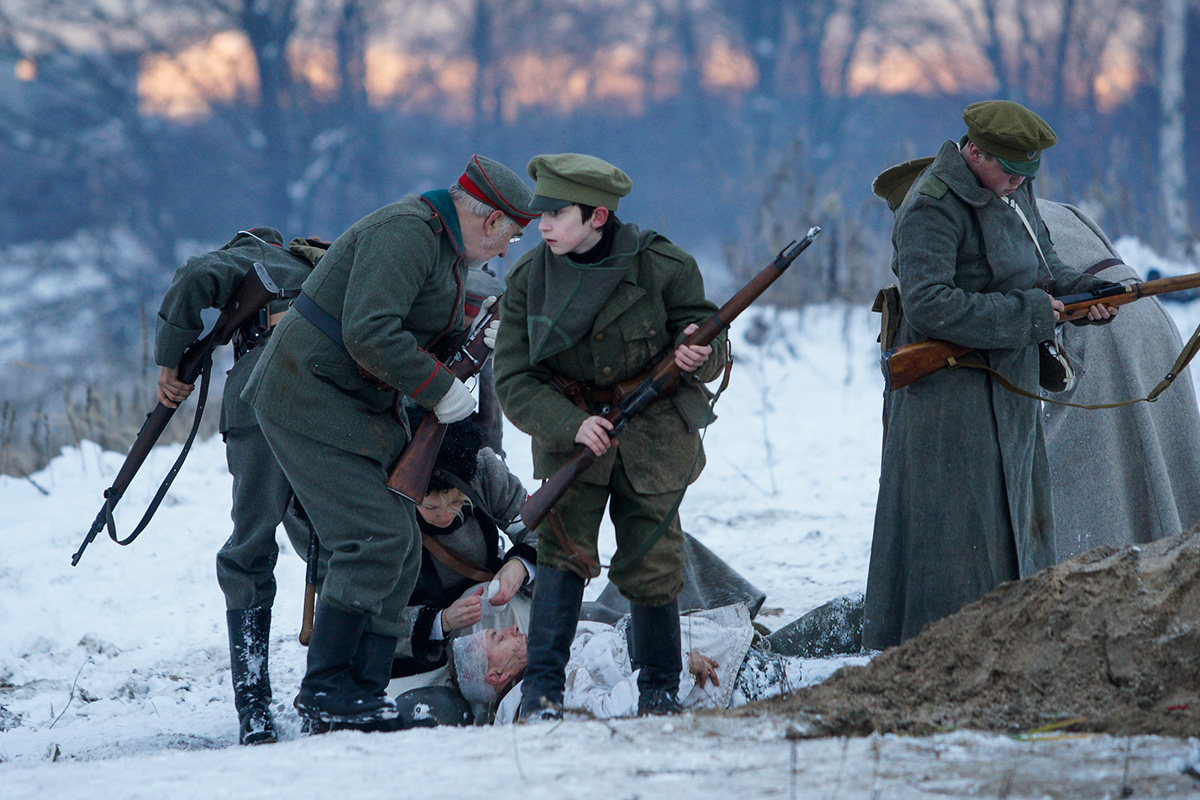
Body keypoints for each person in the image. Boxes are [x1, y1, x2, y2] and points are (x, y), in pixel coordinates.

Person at [242, 155, 536, 731]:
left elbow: (415, 327)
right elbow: (370, 331)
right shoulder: (405, 234)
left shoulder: (441, 250)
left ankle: (365, 690)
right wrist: (442, 389)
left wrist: (470, 341)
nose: (505, 252)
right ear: (486, 221)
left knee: (398, 541)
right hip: (307, 395)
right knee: (371, 537)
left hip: (350, 402)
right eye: (510, 236)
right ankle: (327, 689)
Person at [862, 101, 1118, 650]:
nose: (1018, 183)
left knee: (1017, 520)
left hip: (1012, 389)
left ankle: (1016, 638)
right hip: (951, 398)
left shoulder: (1013, 186)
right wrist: (1028, 315)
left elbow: (1043, 267)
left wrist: (1086, 295)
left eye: (1028, 174)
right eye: (1009, 171)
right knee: (956, 534)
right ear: (974, 152)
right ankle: (939, 650)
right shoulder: (930, 207)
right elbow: (929, 306)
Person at [492, 153, 728, 719]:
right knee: (560, 558)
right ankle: (541, 693)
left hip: (654, 438)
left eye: (555, 213)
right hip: (572, 439)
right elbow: (514, 378)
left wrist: (700, 353)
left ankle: (659, 691)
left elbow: (709, 338)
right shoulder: (529, 280)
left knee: (653, 560)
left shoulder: (663, 267)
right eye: (539, 212)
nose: (540, 224)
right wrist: (572, 424)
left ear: (598, 216)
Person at [154, 227, 324, 745]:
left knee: (250, 546)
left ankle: (253, 709)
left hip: (261, 396)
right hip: (332, 403)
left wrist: (169, 358)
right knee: (332, 539)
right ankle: (329, 692)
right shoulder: (321, 263)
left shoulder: (249, 256)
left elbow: (194, 275)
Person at [1038, 199, 1200, 559]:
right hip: (1146, 317)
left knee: (1088, 490)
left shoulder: (988, 215)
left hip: (1098, 330)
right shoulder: (1045, 206)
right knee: (1161, 460)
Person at [449, 603, 804, 722]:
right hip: (729, 683)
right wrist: (676, 665)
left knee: (848, 619)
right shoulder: (543, 693)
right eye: (498, 638)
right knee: (847, 629)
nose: (511, 628)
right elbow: (611, 711)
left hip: (733, 655)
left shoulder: (550, 657)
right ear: (496, 675)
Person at [391, 410, 537, 677]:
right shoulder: (387, 508)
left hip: (495, 621)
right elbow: (371, 615)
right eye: (432, 506)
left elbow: (541, 528)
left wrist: (521, 563)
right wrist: (440, 621)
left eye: (458, 502)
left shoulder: (483, 473)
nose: (446, 515)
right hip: (417, 656)